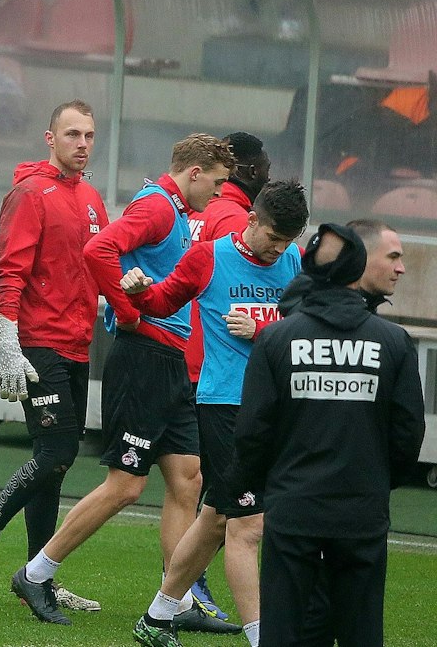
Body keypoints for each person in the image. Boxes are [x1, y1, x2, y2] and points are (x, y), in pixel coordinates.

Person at [10, 134, 236, 627]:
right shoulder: (158, 207)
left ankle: (174, 604)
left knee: (187, 480)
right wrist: (128, 310)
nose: (219, 194)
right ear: (194, 173)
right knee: (126, 485)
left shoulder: (173, 210)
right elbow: (99, 249)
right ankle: (36, 572)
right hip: (144, 358)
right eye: (217, 184)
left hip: (170, 360)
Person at [120, 182, 311, 647]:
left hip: (276, 407)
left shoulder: (294, 263)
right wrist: (140, 291)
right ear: (252, 219)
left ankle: (157, 616)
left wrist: (264, 328)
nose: (278, 250)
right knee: (249, 524)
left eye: (287, 241)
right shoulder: (207, 258)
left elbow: (307, 324)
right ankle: (264, 637)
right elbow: (164, 302)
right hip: (225, 403)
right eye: (273, 238)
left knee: (214, 518)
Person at [234, 223, 424, 647]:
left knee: (284, 632)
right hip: (361, 511)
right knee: (360, 632)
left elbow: (252, 430)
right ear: (358, 266)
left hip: (292, 508)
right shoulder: (393, 342)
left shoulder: (277, 338)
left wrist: (267, 485)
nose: (400, 268)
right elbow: (408, 432)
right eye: (392, 257)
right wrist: (375, 481)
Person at [0, 101, 110, 612]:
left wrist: (112, 300)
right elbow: (9, 271)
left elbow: (93, 267)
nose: (83, 144)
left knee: (58, 463)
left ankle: (37, 575)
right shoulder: (29, 193)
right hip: (38, 341)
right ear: (50, 138)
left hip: (76, 341)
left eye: (89, 135)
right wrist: (8, 340)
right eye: (72, 134)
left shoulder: (91, 198)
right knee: (57, 451)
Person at [195, 132, 272, 244]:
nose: (268, 178)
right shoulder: (238, 221)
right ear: (252, 172)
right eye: (267, 170)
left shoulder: (191, 209)